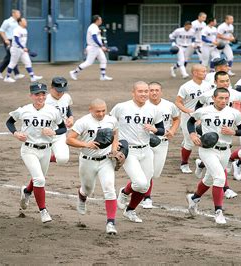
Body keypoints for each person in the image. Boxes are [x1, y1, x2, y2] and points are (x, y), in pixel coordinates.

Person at [6, 82, 67, 223]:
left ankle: (27, 191)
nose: (40, 97)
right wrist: (15, 133)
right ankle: (43, 211)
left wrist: (54, 131)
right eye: (37, 94)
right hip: (29, 149)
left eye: (43, 94)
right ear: (31, 96)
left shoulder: (53, 111)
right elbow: (9, 122)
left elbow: (63, 128)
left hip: (46, 150)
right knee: (40, 179)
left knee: (37, 179)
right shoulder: (24, 110)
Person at [185, 88, 241, 224]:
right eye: (220, 98)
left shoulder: (234, 113)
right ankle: (218, 212)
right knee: (219, 178)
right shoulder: (204, 111)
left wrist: (233, 132)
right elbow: (190, 122)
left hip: (225, 151)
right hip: (207, 150)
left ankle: (194, 198)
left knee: (209, 180)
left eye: (226, 98)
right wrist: (193, 134)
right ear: (213, 98)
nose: (223, 101)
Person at [112, 81, 164, 223]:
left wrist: (154, 130)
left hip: (147, 151)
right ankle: (125, 192)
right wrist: (114, 144)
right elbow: (109, 124)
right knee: (140, 184)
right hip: (129, 151)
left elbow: (161, 130)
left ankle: (130, 210)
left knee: (145, 185)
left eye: (146, 91)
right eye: (140, 91)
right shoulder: (121, 107)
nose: (144, 94)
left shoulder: (154, 109)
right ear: (133, 92)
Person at [66, 98, 119, 235]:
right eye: (97, 111)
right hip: (87, 160)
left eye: (103, 111)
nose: (101, 114)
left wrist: (114, 150)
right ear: (90, 110)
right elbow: (69, 139)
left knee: (109, 188)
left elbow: (115, 135)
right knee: (88, 189)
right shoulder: (83, 122)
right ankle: (82, 196)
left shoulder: (111, 120)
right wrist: (86, 144)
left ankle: (111, 223)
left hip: (106, 160)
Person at [140, 82, 180, 209]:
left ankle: (134, 187)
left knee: (155, 173)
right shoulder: (141, 106)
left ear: (161, 91)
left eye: (157, 90)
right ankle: (146, 197)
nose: (154, 93)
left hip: (162, 142)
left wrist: (173, 130)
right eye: (151, 90)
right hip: (145, 142)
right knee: (148, 170)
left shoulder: (169, 105)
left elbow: (176, 118)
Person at [175, 64, 210, 174]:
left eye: (205, 71)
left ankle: (204, 163)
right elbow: (178, 102)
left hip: (204, 117)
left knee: (207, 139)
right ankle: (184, 163)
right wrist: (188, 111)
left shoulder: (209, 86)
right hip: (188, 117)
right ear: (195, 73)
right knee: (190, 142)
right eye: (203, 71)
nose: (205, 73)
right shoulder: (186, 87)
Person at [69, 15, 113, 81]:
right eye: (100, 19)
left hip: (96, 48)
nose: (101, 21)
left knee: (103, 60)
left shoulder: (95, 27)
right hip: (93, 48)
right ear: (97, 20)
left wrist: (100, 46)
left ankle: (103, 76)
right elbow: (94, 37)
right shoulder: (93, 27)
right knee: (88, 62)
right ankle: (74, 72)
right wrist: (101, 46)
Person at [3, 18, 42, 83]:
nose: (26, 22)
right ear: (20, 22)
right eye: (24, 21)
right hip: (16, 49)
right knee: (13, 63)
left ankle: (32, 77)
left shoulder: (25, 30)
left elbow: (22, 41)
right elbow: (16, 40)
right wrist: (22, 47)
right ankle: (7, 77)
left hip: (22, 49)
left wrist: (24, 48)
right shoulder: (17, 29)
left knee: (28, 62)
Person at [45, 77, 73, 164]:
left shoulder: (66, 97)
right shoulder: (45, 100)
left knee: (62, 159)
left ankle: (52, 157)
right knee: (40, 161)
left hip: (60, 132)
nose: (60, 93)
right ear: (51, 88)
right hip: (44, 134)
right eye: (58, 90)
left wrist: (71, 117)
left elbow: (67, 108)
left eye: (62, 91)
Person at [0, 9, 23, 79]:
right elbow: (1, 31)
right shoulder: (7, 21)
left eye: (19, 13)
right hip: (8, 41)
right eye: (18, 13)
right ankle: (0, 70)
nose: (19, 14)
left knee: (11, 56)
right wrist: (5, 39)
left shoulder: (18, 22)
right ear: (13, 14)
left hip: (14, 41)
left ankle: (15, 74)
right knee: (11, 55)